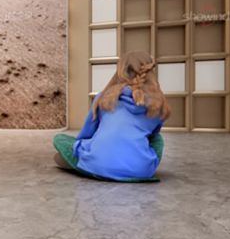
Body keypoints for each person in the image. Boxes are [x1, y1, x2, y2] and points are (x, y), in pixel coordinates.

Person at [53, 52, 169, 182]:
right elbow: (153, 134)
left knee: (60, 139)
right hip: (140, 171)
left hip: (96, 164)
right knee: (157, 139)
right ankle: (137, 166)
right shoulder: (158, 105)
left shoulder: (104, 97)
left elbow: (85, 135)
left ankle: (91, 165)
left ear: (120, 71)